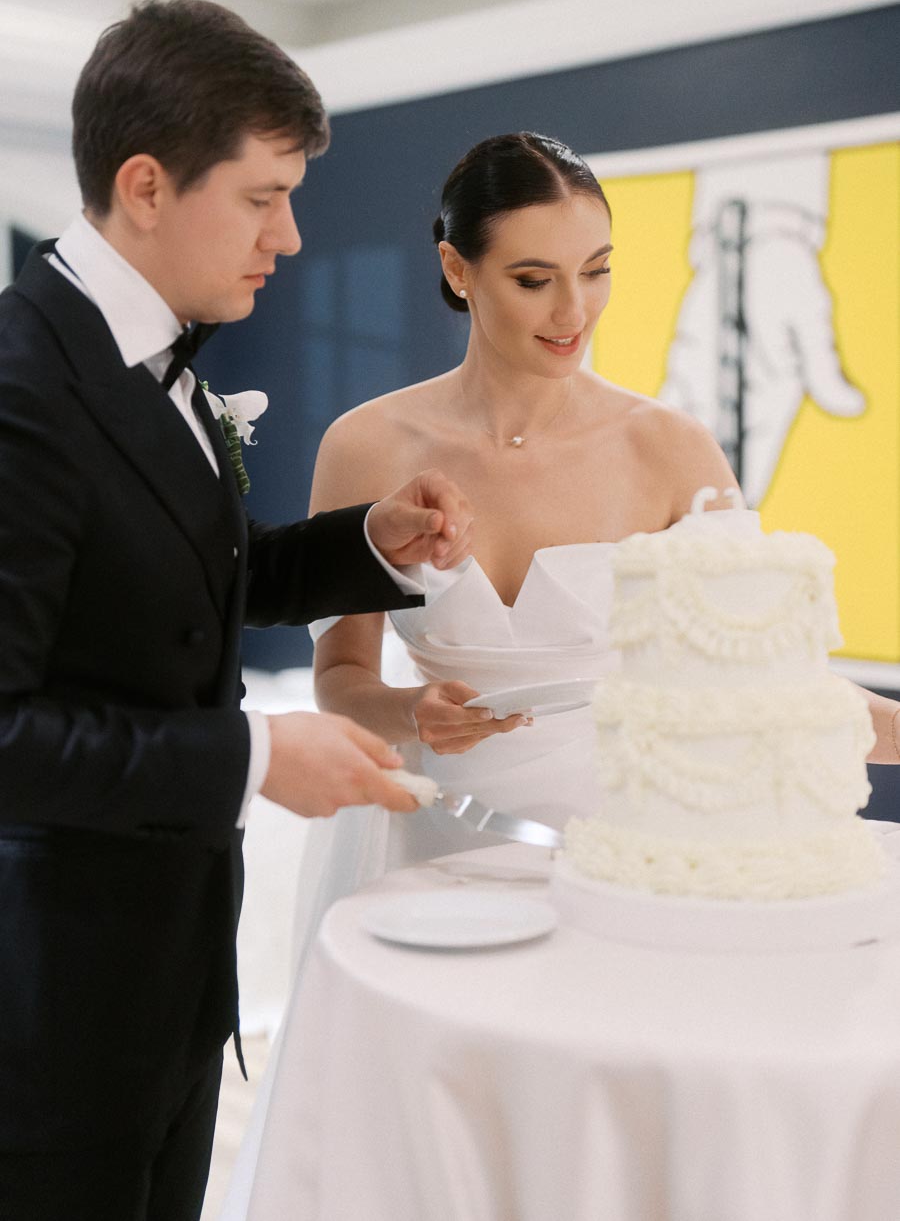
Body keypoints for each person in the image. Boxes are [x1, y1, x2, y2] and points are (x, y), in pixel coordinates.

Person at [224, 130, 900, 1219]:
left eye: (596, 272)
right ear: (458, 270)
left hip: (624, 861)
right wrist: (411, 709)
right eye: (533, 279)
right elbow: (343, 678)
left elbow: (771, 689)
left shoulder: (669, 448)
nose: (571, 312)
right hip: (430, 852)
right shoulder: (369, 443)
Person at [0, 0, 477, 1221]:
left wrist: (371, 543)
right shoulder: (20, 385)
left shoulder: (157, 356)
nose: (294, 234)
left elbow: (195, 576)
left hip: (166, 987)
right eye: (264, 196)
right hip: (44, 1018)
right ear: (147, 185)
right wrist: (257, 751)